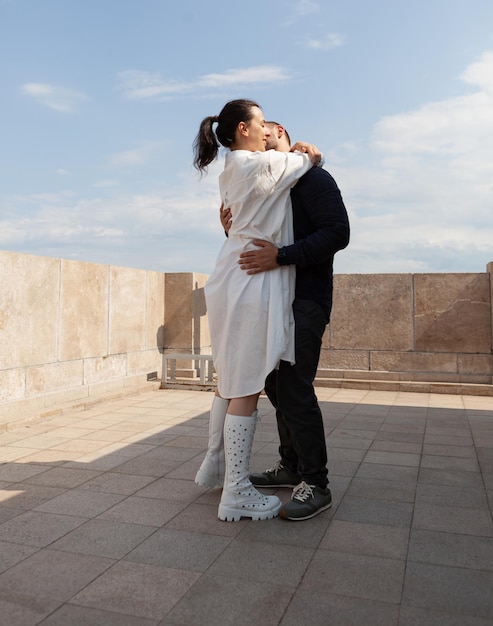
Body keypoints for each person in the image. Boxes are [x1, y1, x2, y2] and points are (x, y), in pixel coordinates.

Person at [193, 100, 323, 522]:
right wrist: (301, 147)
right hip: (251, 282)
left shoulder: (231, 171)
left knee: (229, 379)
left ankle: (214, 464)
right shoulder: (261, 167)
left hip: (229, 275)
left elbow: (240, 218)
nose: (268, 127)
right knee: (247, 384)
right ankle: (236, 491)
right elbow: (308, 159)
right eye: (262, 122)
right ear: (245, 130)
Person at [222, 121, 350, 520]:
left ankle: (316, 482)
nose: (262, 141)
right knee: (275, 385)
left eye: (267, 133)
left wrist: (281, 256)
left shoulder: (314, 179)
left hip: (305, 301)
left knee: (294, 387)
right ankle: (290, 463)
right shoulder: (273, 184)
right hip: (271, 301)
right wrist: (230, 229)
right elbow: (252, 243)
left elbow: (338, 233)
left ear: (279, 131)